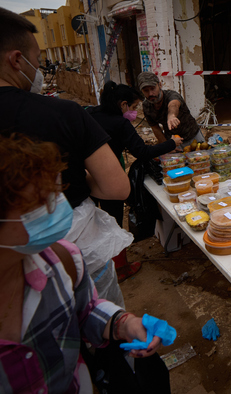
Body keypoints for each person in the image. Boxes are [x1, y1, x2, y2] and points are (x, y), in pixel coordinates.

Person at [0, 133, 165, 393]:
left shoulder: (61, 260)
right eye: (37, 206)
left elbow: (84, 311)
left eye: (53, 196)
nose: (56, 210)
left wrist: (123, 324)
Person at [0, 7, 131, 306]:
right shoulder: (64, 114)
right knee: (103, 324)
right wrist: (77, 180)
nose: (38, 68)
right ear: (16, 60)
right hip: (76, 244)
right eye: (36, 61)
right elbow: (116, 187)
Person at [87, 81, 182, 281]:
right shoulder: (120, 123)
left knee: (93, 221)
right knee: (112, 219)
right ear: (123, 105)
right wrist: (171, 143)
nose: (134, 111)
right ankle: (120, 267)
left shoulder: (92, 113)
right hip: (106, 176)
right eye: (133, 107)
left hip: (85, 174)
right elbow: (141, 152)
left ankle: (96, 264)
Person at [138, 71, 204, 149]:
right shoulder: (146, 106)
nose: (150, 94)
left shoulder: (172, 95)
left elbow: (174, 104)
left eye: (153, 88)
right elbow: (155, 128)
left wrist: (171, 116)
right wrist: (167, 146)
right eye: (146, 90)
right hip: (174, 141)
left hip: (193, 136)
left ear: (159, 85)